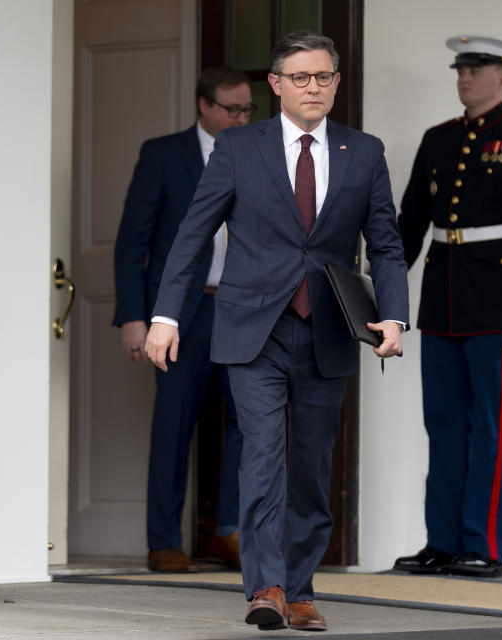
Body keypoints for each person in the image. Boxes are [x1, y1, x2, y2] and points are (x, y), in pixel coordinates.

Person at [146, 31, 408, 632]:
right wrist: (165, 317)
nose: (311, 87)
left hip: (329, 332)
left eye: (322, 77)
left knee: (312, 468)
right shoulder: (238, 148)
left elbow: (386, 246)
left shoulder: (363, 152)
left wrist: (392, 317)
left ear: (337, 84)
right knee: (262, 456)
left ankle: (302, 588)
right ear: (276, 85)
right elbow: (192, 235)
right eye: (299, 78)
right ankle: (265, 587)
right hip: (251, 331)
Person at [393, 35, 502, 579]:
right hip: (442, 301)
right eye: (461, 70)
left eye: (478, 69)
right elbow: (411, 223)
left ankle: (484, 543)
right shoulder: (438, 139)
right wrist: (386, 288)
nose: (466, 78)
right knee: (442, 424)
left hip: (498, 305)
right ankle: (442, 541)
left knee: (488, 425)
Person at [112, 66, 254, 573]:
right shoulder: (163, 154)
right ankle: (163, 541)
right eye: (231, 109)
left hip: (243, 309)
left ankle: (230, 532)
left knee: (247, 422)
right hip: (180, 313)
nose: (241, 117)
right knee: (174, 424)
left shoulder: (258, 151)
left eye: (247, 109)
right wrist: (134, 317)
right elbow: (134, 241)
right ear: (204, 106)